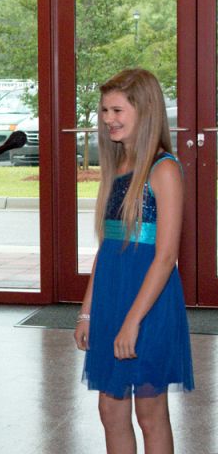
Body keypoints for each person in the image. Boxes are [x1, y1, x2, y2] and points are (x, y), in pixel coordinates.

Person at [73, 68, 194, 453]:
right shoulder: (117, 167)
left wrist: (132, 322)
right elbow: (106, 251)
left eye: (118, 110)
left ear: (145, 110)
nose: (109, 119)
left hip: (149, 304)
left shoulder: (164, 170)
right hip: (111, 297)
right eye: (105, 111)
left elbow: (166, 257)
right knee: (110, 408)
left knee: (149, 409)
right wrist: (87, 312)